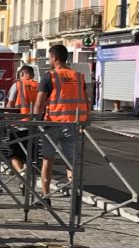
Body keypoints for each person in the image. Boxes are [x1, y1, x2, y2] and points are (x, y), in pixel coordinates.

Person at [32, 44, 89, 203]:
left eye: (49, 58)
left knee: (47, 160)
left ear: (54, 58)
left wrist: (35, 121)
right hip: (73, 124)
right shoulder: (79, 77)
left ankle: (45, 196)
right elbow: (85, 100)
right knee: (70, 161)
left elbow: (39, 103)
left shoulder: (49, 77)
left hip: (53, 124)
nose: (49, 60)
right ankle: (75, 194)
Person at [6, 65, 39, 176]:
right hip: (35, 125)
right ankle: (27, 171)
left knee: (14, 153)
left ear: (22, 74)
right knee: (29, 153)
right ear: (32, 75)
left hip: (18, 125)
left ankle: (21, 173)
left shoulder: (18, 85)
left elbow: (10, 104)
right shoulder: (39, 86)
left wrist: (6, 119)